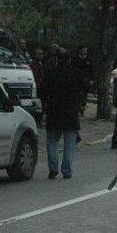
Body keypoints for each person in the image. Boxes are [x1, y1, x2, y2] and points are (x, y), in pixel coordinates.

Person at [39, 48, 88, 179]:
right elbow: (86, 86)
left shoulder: (50, 73)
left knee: (51, 141)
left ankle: (53, 168)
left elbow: (42, 92)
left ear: (57, 59)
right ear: (69, 59)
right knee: (69, 143)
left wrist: (46, 103)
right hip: (71, 111)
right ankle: (66, 170)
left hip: (54, 111)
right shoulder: (76, 73)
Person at [72, 45, 92, 116]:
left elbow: (91, 70)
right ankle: (77, 108)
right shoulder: (74, 59)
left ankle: (82, 110)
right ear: (80, 50)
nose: (85, 52)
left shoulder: (88, 59)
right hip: (77, 80)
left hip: (86, 80)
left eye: (86, 50)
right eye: (84, 50)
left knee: (84, 95)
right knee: (77, 94)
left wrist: (91, 79)